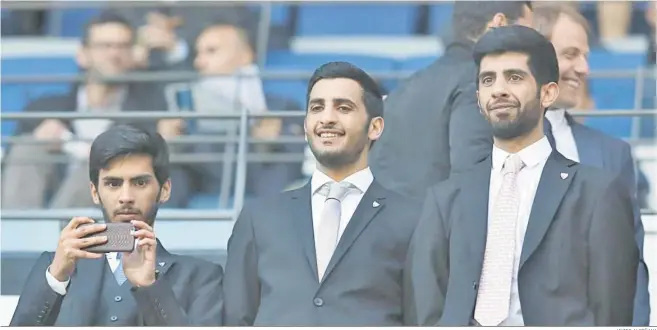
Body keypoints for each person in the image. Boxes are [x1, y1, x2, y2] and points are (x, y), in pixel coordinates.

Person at [403, 26, 638, 326]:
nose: (499, 89)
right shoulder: (445, 198)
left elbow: (612, 310)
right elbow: (425, 308)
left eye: (514, 77)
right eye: (488, 80)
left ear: (548, 92)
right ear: (478, 98)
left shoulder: (597, 193)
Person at [223, 62, 421, 326]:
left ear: (375, 127)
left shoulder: (414, 218)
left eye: (343, 107)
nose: (327, 118)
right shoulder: (258, 217)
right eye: (317, 107)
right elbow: (236, 318)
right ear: (306, 125)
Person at [10, 125, 223, 326]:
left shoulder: (203, 277)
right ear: (95, 192)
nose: (126, 197)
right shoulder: (57, 266)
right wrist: (56, 280)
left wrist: (152, 288)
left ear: (165, 189)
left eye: (140, 183)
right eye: (113, 184)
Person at [532, 4, 651, 325]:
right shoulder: (484, 144)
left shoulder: (614, 154)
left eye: (585, 56)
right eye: (570, 54)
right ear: (534, 56)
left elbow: (630, 263)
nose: (584, 68)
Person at [1, 13, 167, 210]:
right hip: (48, 189)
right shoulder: (43, 109)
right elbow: (8, 164)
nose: (114, 54)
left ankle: (61, 237)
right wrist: (40, 137)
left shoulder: (148, 114)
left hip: (106, 213)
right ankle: (17, 234)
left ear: (133, 55)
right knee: (29, 147)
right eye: (104, 46)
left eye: (123, 47)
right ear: (82, 55)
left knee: (103, 165)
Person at [369, 1, 533, 199]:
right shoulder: (479, 82)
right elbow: (472, 182)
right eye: (528, 35)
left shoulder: (406, 88)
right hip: (443, 227)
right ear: (499, 24)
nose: (534, 50)